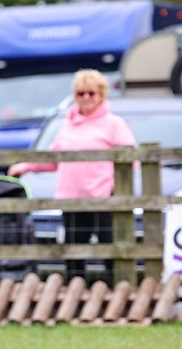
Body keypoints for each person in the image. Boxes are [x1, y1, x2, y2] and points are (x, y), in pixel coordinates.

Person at [10, 69, 136, 284]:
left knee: (110, 250)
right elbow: (53, 158)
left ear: (101, 94)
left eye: (91, 93)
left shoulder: (114, 124)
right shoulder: (67, 124)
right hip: (71, 200)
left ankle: (118, 289)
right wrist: (25, 166)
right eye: (80, 93)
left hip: (102, 199)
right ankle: (75, 291)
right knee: (73, 251)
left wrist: (112, 185)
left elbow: (130, 160)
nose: (86, 97)